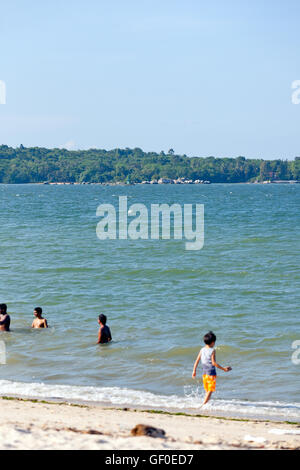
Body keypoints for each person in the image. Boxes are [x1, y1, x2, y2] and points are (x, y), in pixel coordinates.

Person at [192, 331, 232, 406]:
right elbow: (213, 363)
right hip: (211, 374)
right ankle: (203, 405)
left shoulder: (202, 349)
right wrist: (224, 369)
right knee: (210, 390)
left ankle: (206, 404)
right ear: (213, 342)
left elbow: (197, 361)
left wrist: (194, 370)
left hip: (204, 374)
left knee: (207, 390)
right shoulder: (212, 350)